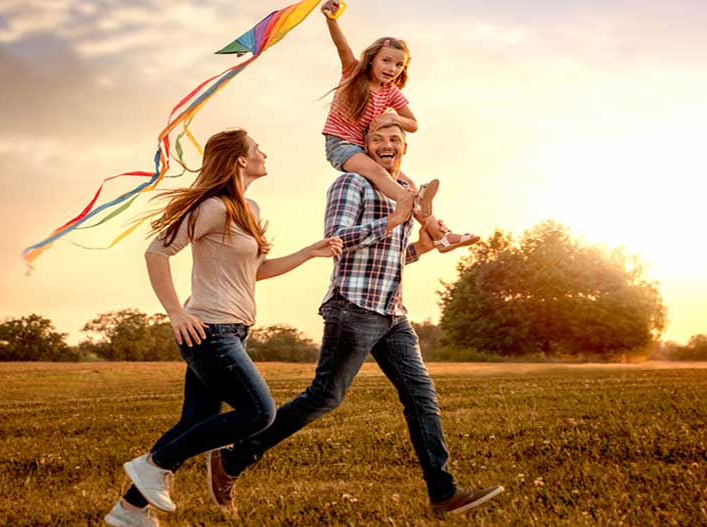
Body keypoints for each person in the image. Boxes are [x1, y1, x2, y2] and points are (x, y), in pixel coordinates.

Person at [207, 122, 503, 516]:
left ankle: (443, 493)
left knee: (422, 396)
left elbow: (390, 260)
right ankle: (232, 460)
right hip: (353, 307)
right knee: (325, 396)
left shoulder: (406, 191)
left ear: (404, 148)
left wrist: (422, 247)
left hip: (392, 312)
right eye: (377, 139)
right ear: (363, 148)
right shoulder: (351, 185)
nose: (386, 145)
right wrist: (394, 220)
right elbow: (337, 240)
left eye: (394, 140)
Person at [105, 129, 343, 527]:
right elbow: (157, 251)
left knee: (196, 420)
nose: (264, 153)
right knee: (259, 413)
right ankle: (155, 464)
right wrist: (175, 312)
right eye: (256, 149)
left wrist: (308, 253)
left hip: (233, 330)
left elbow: (255, 272)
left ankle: (129, 510)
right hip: (207, 330)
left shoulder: (248, 208)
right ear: (239, 160)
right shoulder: (212, 207)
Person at [319, 0, 479, 254]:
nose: (391, 69)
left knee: (409, 183)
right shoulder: (353, 74)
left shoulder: (390, 92)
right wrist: (331, 20)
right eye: (386, 61)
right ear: (372, 60)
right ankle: (412, 201)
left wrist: (394, 118)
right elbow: (342, 47)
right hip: (341, 145)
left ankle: (441, 237)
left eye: (398, 65)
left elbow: (413, 124)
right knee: (382, 176)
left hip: (362, 148)